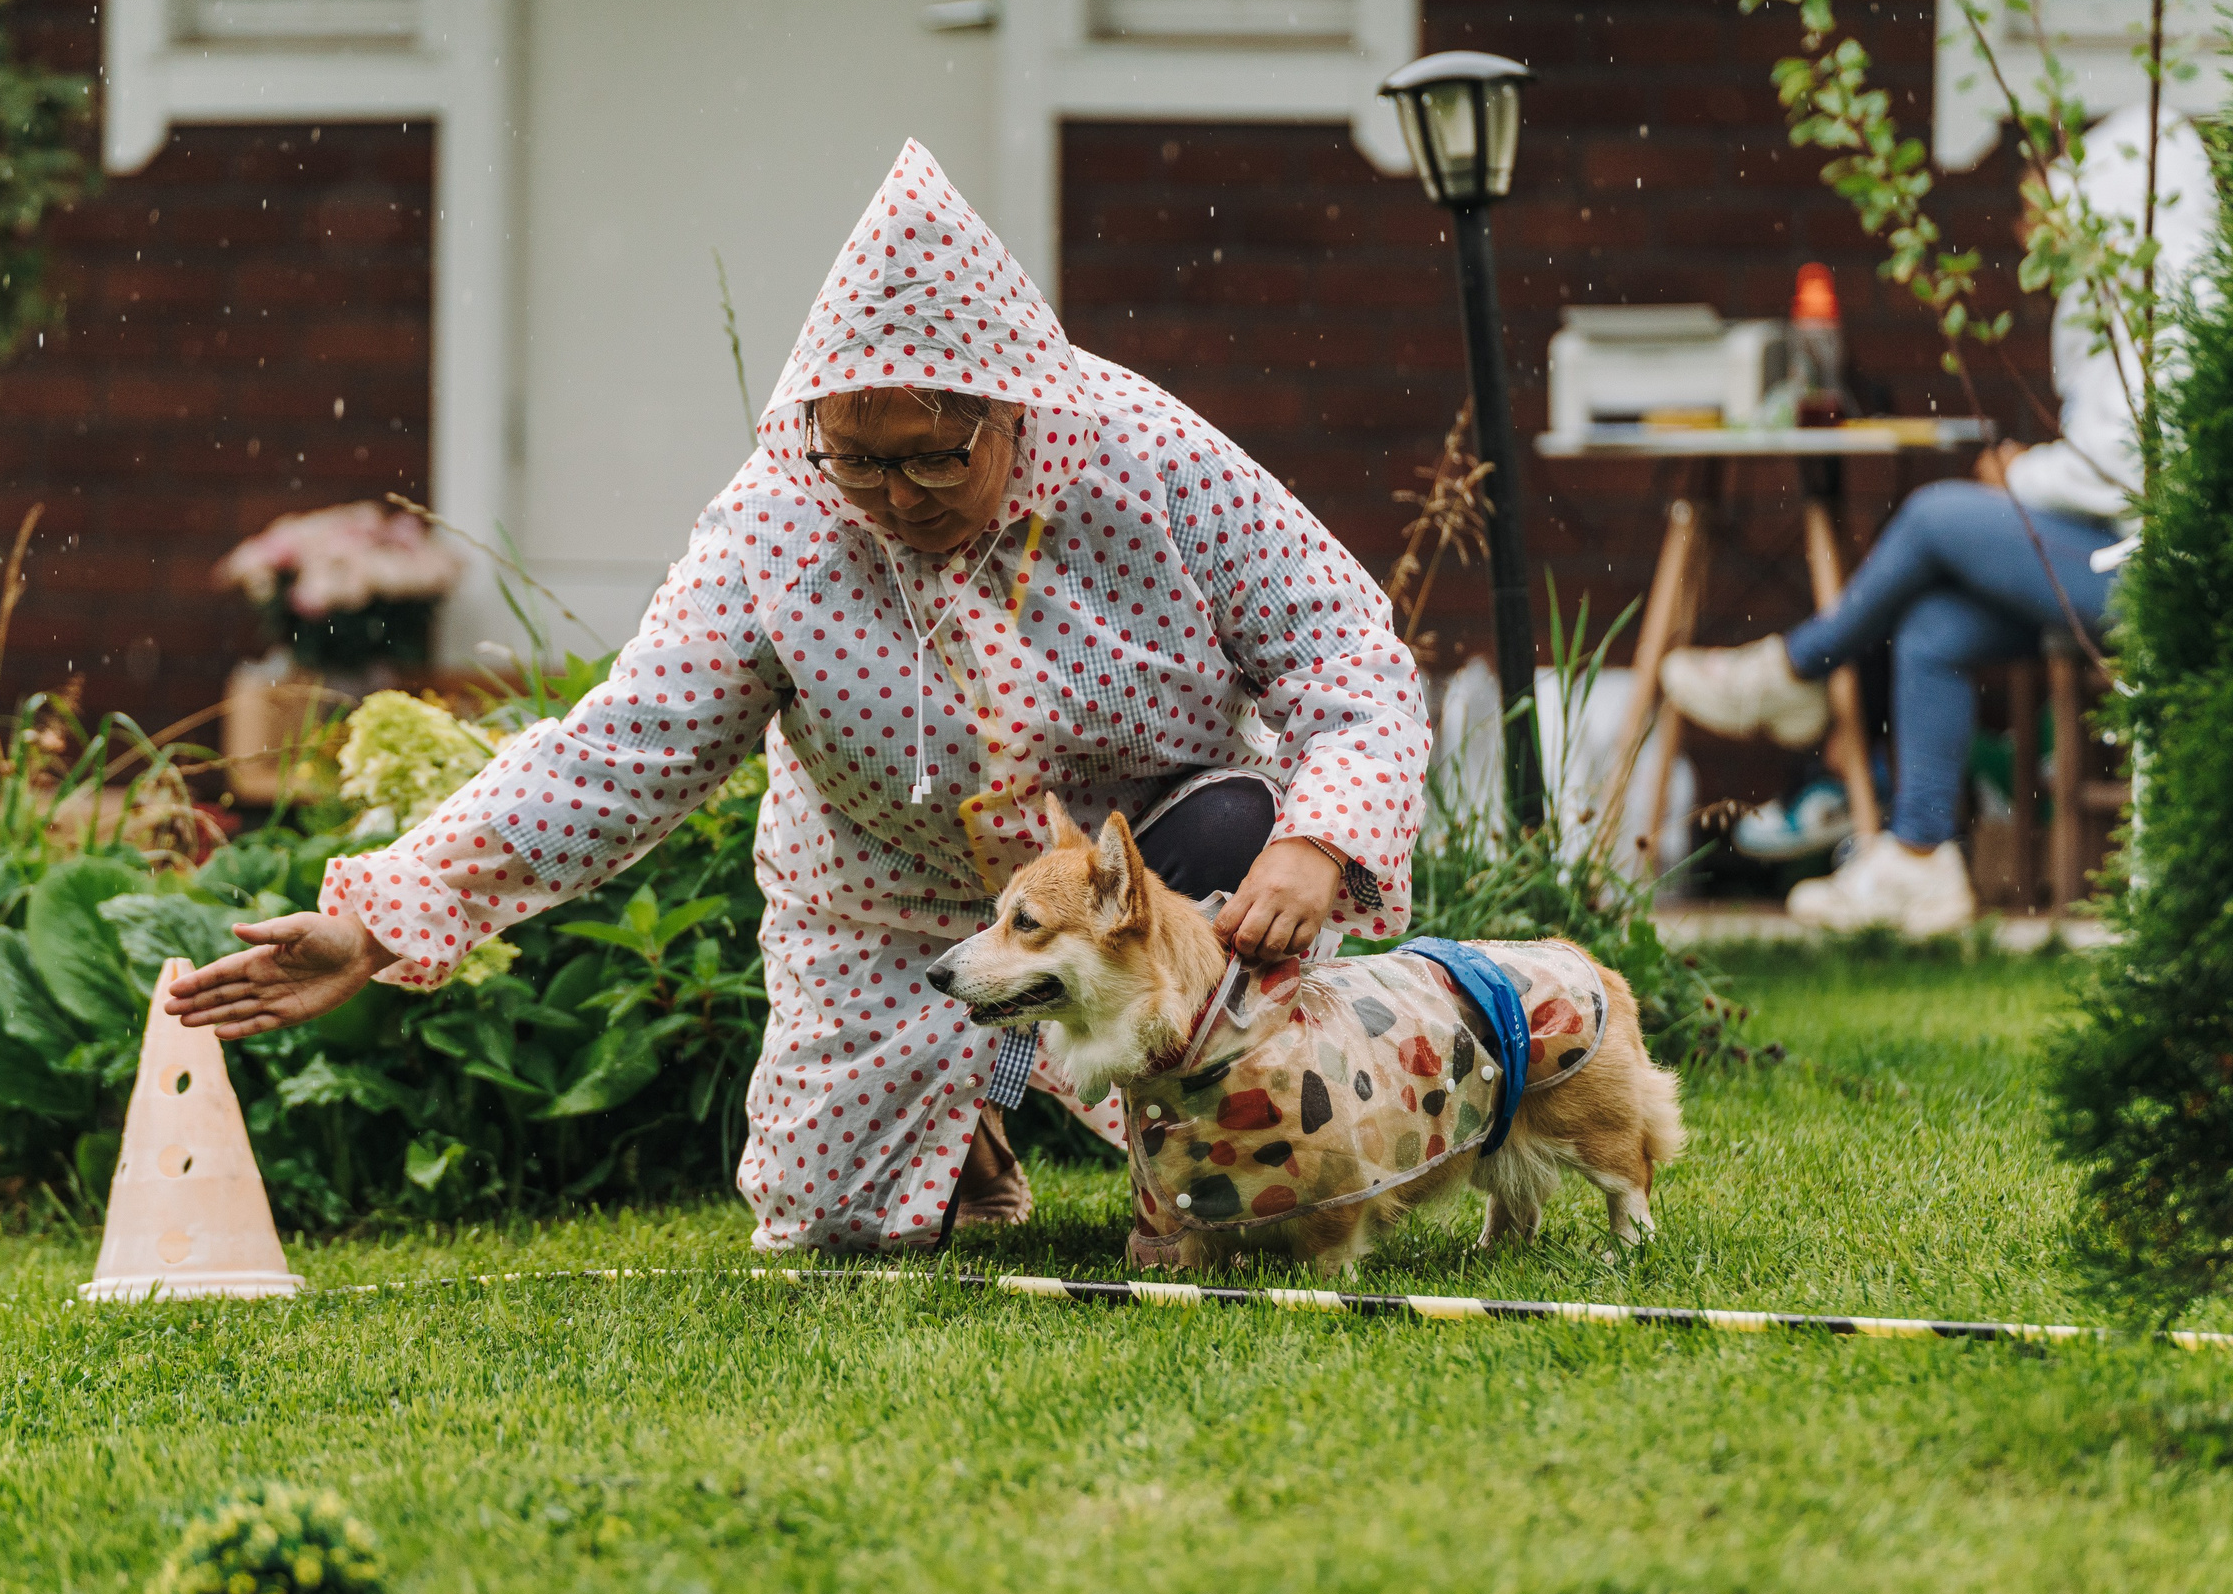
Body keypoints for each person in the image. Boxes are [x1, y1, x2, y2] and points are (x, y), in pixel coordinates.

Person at [168, 140, 1430, 1252]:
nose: (894, 493)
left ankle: (1202, 1156)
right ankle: (969, 1124)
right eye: (858, 458)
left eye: (937, 452)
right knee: (834, 1223)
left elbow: (1343, 650)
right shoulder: (774, 537)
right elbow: (620, 753)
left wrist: (1323, 841)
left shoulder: (1148, 456)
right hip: (880, 899)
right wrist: (384, 914)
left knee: (1252, 1075)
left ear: (1014, 415)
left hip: (1135, 875)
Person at [1661, 110, 2220, 936]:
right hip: (2116, 558)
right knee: (1935, 623)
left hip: (2155, 577)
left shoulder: (2151, 296)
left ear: (2096, 199)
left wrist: (2020, 473)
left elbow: (2130, 469)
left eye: (2040, 206)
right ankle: (1922, 860)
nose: (2026, 229)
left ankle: (1796, 667)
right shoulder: (2127, 286)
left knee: (1933, 515)